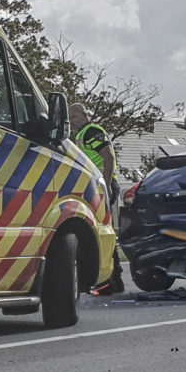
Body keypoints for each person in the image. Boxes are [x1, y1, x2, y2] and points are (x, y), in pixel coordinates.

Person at [73, 103, 129, 296]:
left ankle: (113, 281)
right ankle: (111, 281)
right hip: (94, 185)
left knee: (104, 231)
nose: (71, 122)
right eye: (69, 119)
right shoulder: (81, 135)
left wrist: (105, 183)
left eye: (74, 117)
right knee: (102, 231)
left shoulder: (92, 132)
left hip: (102, 185)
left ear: (84, 114)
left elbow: (108, 157)